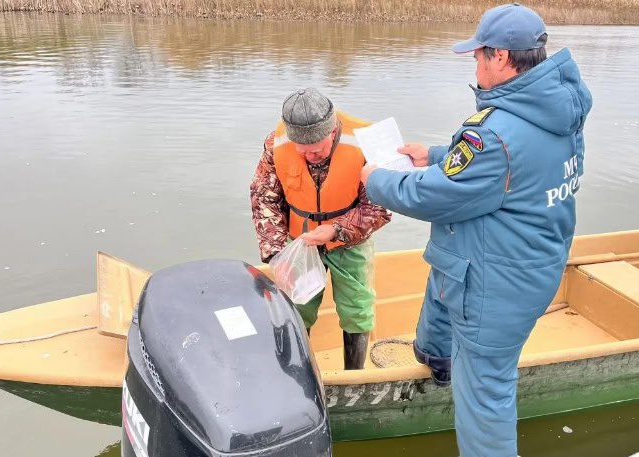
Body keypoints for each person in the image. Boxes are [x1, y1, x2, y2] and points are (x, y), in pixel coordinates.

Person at [361, 4, 593, 455]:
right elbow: (513, 169)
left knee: (486, 396)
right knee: (438, 309)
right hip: (530, 262)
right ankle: (439, 364)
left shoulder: (494, 134)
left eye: (478, 54)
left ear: (501, 57)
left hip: (495, 286)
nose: (474, 62)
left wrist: (375, 180)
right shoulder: (556, 111)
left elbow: (433, 195)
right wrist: (434, 153)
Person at [250, 87, 392, 370]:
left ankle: (355, 374)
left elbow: (382, 206)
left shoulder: (367, 140)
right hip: (298, 241)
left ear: (332, 131)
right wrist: (278, 254)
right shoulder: (276, 143)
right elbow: (264, 198)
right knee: (294, 308)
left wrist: (336, 230)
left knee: (357, 309)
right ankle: (295, 372)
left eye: (317, 150)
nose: (310, 156)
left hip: (349, 241)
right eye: (301, 151)